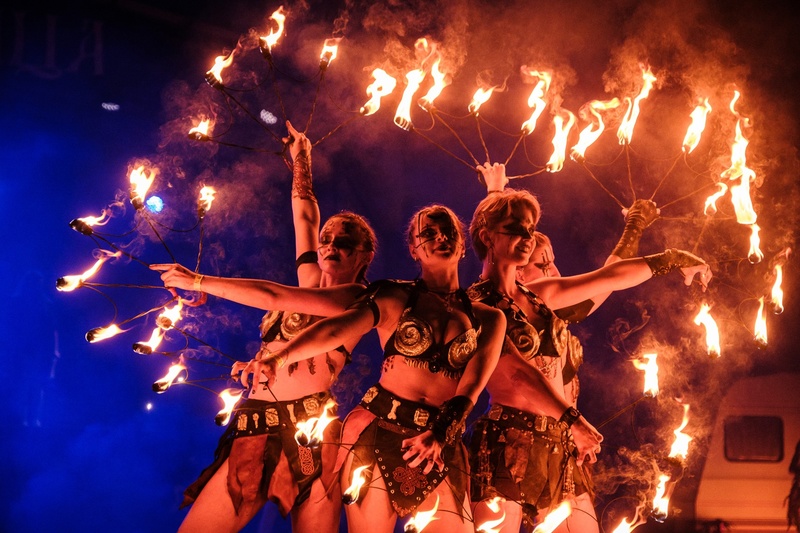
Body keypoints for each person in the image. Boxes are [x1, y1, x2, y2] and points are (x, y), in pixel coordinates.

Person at [152, 121, 376, 533]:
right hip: (257, 423)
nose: (330, 245)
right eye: (327, 239)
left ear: (364, 256)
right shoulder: (309, 278)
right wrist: (302, 159)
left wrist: (199, 281)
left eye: (344, 243)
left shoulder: (357, 299)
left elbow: (273, 295)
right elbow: (305, 217)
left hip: (311, 433)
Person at [467, 162, 710, 533]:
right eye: (520, 231)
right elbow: (516, 374)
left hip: (562, 445)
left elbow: (609, 277)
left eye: (531, 230)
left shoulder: (541, 296)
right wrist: (574, 421)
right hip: (509, 442)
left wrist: (672, 258)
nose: (529, 239)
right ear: (488, 236)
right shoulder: (477, 305)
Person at [236, 205, 507, 533]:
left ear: (462, 245)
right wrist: (280, 358)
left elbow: (472, 386)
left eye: (449, 232)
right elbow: (336, 329)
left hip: (439, 439)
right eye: (429, 234)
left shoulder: (489, 318)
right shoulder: (394, 295)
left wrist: (439, 434)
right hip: (378, 433)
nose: (441, 238)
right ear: (413, 248)